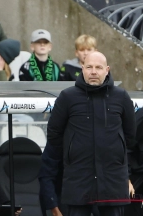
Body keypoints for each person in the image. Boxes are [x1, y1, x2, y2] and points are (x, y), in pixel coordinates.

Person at [46, 51, 136, 216]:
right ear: (82, 69)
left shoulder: (121, 97)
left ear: (107, 70)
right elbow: (54, 134)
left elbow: (130, 136)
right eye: (89, 67)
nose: (93, 71)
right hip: (78, 180)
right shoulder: (67, 97)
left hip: (113, 180)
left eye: (98, 67)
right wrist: (71, 155)